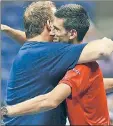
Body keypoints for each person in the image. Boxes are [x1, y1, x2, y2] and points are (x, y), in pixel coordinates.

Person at [1, 1, 113, 125]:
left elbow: (91, 84)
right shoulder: (52, 53)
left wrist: (10, 30)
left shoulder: (35, 50)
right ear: (49, 24)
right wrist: (7, 110)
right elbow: (103, 51)